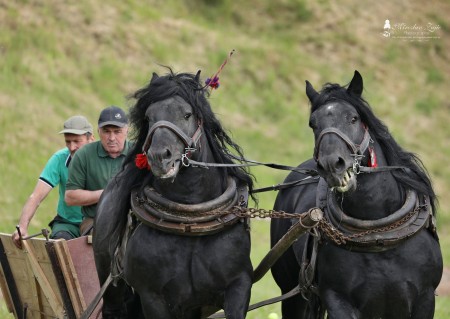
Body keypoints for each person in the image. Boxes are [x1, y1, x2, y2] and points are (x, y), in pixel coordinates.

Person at [12, 115, 95, 248]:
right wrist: (22, 226)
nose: (72, 147)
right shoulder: (59, 159)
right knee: (56, 248)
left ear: (91, 139)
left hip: (96, 223)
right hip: (67, 223)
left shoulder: (103, 161)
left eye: (77, 141)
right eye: (68, 141)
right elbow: (36, 196)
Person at [65, 106, 131, 235]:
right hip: (94, 221)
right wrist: (108, 192)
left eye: (117, 131)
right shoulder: (84, 155)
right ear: (98, 131)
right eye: (106, 131)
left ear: (127, 131)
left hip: (134, 219)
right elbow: (70, 197)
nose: (111, 138)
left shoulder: (139, 154)